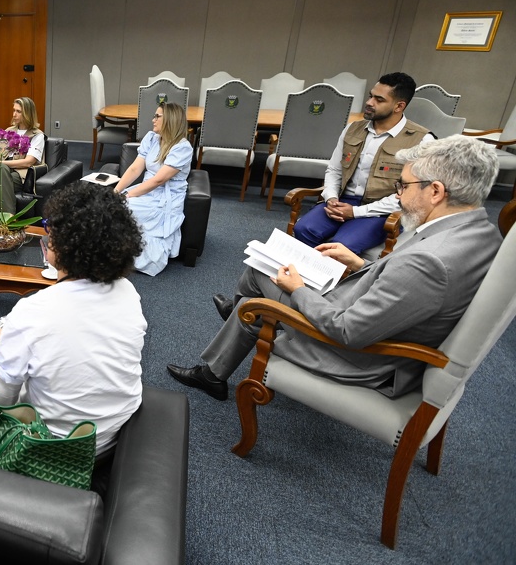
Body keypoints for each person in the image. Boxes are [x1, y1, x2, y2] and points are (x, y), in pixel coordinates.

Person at [166, 135, 501, 401]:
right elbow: (409, 288)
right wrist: (361, 264)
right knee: (260, 284)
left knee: (257, 294)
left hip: (356, 356)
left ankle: (223, 350)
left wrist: (298, 289)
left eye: (403, 186)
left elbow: (348, 331)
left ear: (436, 191)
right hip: (376, 321)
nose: (399, 197)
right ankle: (236, 324)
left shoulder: (431, 261)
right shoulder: (480, 233)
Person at [0, 182, 146, 455]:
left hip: (53, 448)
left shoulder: (33, 310)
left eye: (50, 228)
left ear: (62, 244)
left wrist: (12, 338)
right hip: (111, 439)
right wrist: (12, 334)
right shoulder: (128, 292)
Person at [292, 72, 432, 255]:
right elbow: (334, 170)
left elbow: (412, 195)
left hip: (382, 210)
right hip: (342, 200)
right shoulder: (352, 129)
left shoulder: (422, 140)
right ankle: (305, 273)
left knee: (340, 246)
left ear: (399, 106)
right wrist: (331, 198)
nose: (369, 102)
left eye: (379, 99)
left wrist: (356, 212)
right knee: (303, 229)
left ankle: (332, 274)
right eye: (370, 96)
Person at [112, 101, 193, 276]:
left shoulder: (182, 148)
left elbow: (159, 180)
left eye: (157, 116)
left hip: (164, 197)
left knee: (123, 207)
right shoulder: (152, 138)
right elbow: (135, 169)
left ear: (170, 120)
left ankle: (123, 255)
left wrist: (127, 195)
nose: (153, 119)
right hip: (145, 190)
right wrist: (116, 192)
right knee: (113, 204)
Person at [0, 97, 45, 218]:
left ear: (28, 113)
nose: (14, 114)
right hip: (1, 170)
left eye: (18, 111)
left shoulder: (37, 135)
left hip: (20, 175)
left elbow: (28, 162)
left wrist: (0, 163)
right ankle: (6, 220)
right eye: (14, 110)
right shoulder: (8, 131)